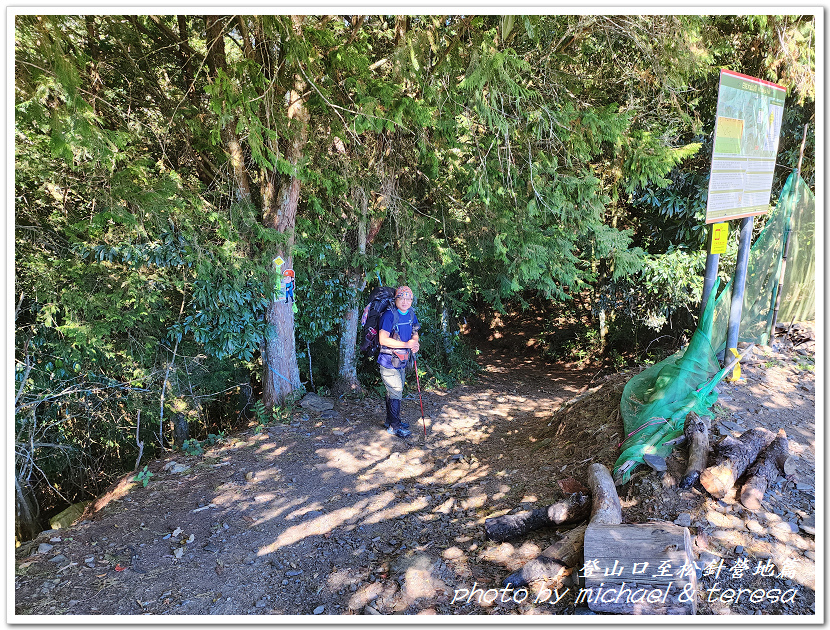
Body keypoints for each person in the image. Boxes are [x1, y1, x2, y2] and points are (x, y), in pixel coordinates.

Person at [378, 286, 420, 438]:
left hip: (401, 360)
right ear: (395, 299)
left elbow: (415, 332)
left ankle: (391, 420)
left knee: (396, 390)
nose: (405, 301)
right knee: (396, 390)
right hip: (388, 360)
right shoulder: (389, 315)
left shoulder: (411, 314)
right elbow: (383, 339)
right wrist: (406, 345)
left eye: (408, 299)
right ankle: (394, 427)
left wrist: (415, 343)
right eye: (401, 298)